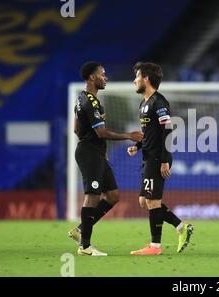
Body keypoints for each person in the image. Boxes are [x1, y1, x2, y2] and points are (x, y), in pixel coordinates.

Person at [69, 61, 144, 256]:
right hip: (90, 153)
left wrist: (97, 147)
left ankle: (80, 230)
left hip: (95, 152)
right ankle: (84, 246)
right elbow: (101, 132)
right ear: (92, 77)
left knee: (112, 196)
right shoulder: (91, 102)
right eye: (102, 74)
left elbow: (77, 128)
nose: (106, 77)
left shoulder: (81, 98)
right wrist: (128, 135)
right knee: (92, 196)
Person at [127, 62, 193, 256]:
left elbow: (167, 129)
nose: (135, 80)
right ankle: (181, 226)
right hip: (149, 157)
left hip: (157, 159)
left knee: (153, 202)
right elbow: (149, 133)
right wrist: (137, 146)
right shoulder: (143, 104)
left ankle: (155, 246)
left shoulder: (159, 102)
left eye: (137, 76)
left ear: (146, 78)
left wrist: (164, 159)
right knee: (143, 201)